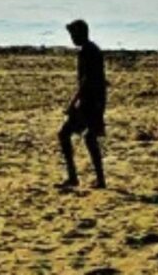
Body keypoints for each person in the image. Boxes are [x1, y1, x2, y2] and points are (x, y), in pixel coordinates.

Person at [58, 19, 108, 189]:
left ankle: (75, 177)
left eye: (73, 34)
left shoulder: (88, 52)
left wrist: (73, 102)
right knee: (88, 138)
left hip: (90, 102)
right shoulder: (91, 50)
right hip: (94, 101)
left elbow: (86, 82)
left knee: (66, 134)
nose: (72, 38)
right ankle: (97, 179)